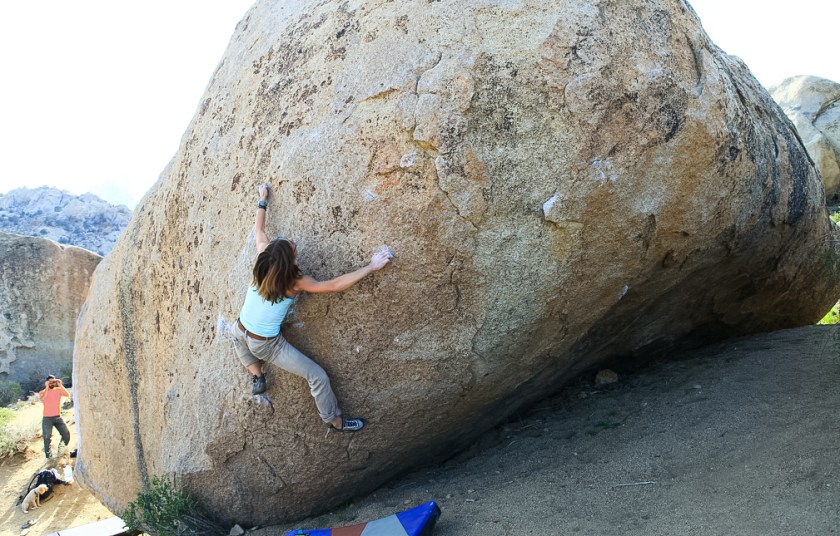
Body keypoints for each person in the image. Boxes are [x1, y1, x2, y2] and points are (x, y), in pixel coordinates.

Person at [232, 183, 392, 433]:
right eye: (292, 246)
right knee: (317, 375)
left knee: (236, 338)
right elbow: (333, 285)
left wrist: (262, 200)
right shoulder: (294, 282)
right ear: (289, 262)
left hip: (240, 329)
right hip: (266, 344)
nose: (293, 242)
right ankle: (334, 420)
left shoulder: (263, 262)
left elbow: (259, 232)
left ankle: (257, 374)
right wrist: (371, 267)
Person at [38, 375, 71, 458]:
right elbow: (42, 399)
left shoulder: (58, 390)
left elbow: (67, 394)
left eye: (53, 381)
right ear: (47, 382)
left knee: (66, 434)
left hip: (57, 417)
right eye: (50, 382)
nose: (52, 383)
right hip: (47, 418)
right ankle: (49, 458)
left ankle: (61, 451)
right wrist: (47, 387)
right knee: (47, 438)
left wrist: (60, 385)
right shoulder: (42, 392)